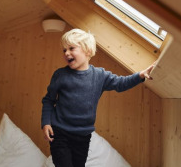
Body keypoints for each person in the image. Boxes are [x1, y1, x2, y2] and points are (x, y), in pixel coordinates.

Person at [41, 28, 155, 167]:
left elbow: (121, 83)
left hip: (83, 136)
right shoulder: (60, 75)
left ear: (87, 51)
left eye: (71, 48)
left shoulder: (100, 76)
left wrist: (140, 76)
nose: (67, 53)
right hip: (60, 133)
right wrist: (46, 122)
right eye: (64, 50)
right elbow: (48, 100)